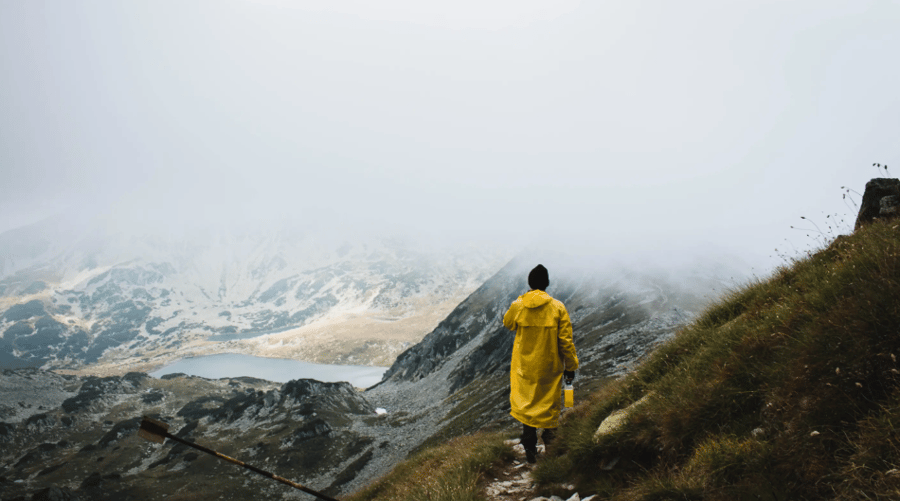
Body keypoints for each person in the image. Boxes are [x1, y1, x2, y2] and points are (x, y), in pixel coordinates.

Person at [503, 264, 579, 463]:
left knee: (527, 404)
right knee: (548, 404)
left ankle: (529, 446)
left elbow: (507, 323)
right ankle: (551, 446)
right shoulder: (557, 307)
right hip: (549, 366)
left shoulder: (519, 305)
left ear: (529, 283)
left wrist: (520, 302)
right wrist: (571, 366)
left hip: (524, 366)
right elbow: (566, 341)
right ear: (547, 283)